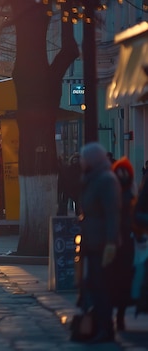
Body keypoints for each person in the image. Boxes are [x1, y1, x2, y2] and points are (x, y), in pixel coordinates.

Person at [77, 142, 121, 343]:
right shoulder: (92, 178)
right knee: (92, 285)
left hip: (103, 244)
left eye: (84, 158)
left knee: (102, 287)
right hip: (91, 242)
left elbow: (112, 214)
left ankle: (105, 328)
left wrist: (111, 242)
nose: (81, 162)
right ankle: (96, 326)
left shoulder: (106, 180)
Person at [110, 157, 136, 331]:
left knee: (121, 280)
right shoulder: (115, 194)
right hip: (117, 241)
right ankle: (117, 315)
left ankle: (118, 315)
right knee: (118, 280)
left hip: (123, 242)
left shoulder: (127, 195)